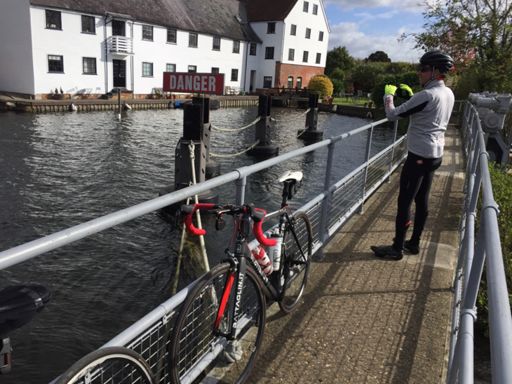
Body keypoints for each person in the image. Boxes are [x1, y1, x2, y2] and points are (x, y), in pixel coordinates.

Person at [371, 50, 455, 260]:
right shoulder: (448, 93)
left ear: (435, 72)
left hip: (419, 155)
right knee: (422, 199)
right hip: (435, 154)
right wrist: (409, 98)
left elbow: (392, 115)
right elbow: (425, 111)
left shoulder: (427, 94)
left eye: (423, 69)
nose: (419, 73)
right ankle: (414, 243)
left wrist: (388, 95)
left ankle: (396, 248)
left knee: (404, 202)